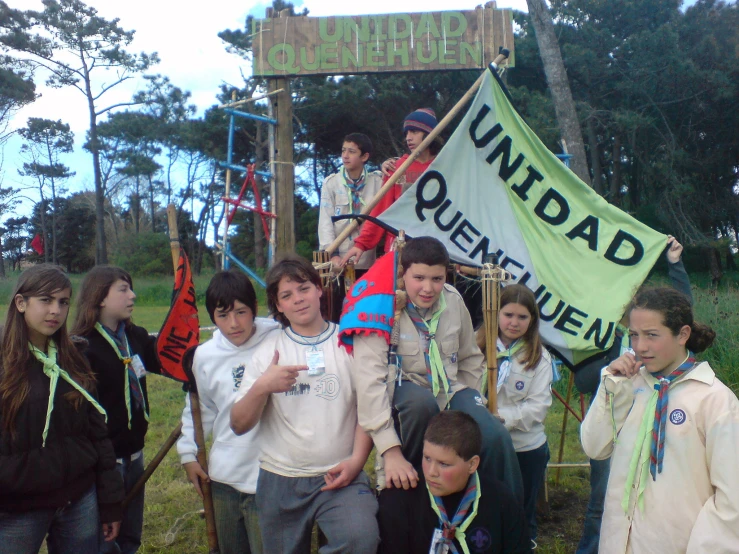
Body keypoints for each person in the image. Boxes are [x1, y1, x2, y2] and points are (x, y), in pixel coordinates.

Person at [350, 236, 523, 501]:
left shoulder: (453, 301)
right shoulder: (379, 308)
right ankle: (410, 494)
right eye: (418, 278)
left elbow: (469, 357)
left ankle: (505, 513)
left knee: (495, 435)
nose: (428, 288)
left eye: (437, 279)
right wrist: (389, 450)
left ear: (447, 276)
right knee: (422, 404)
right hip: (406, 391)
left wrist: (471, 401)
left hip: (451, 389)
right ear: (402, 273)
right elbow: (369, 384)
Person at [230, 255, 379, 554]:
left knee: (361, 540)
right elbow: (238, 424)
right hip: (280, 478)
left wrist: (356, 463)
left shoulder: (350, 342)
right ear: (278, 305)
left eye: (304, 288)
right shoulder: (268, 352)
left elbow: (369, 410)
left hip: (341, 476)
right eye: (287, 295)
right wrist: (263, 387)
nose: (298, 299)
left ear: (319, 289)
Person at [580, 287, 739, 554]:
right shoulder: (627, 384)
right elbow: (595, 447)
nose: (640, 347)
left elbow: (732, 500)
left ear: (683, 334)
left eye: (652, 335)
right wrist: (611, 388)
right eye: (634, 335)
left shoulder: (715, 401)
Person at [573, 235, 692, 554]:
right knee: (603, 501)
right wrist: (609, 365)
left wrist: (675, 265)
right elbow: (584, 381)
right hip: (613, 426)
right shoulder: (600, 334)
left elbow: (682, 315)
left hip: (654, 423)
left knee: (654, 501)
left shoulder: (665, 341)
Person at [0, 264, 124, 553]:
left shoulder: (75, 359)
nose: (55, 310)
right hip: (17, 507)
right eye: (45, 300)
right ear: (21, 303)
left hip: (77, 498)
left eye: (63, 302)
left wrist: (109, 502)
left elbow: (98, 435)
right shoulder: (4, 365)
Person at [177, 270, 280, 554]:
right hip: (223, 477)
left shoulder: (278, 338)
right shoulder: (205, 356)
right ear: (212, 316)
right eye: (223, 315)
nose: (234, 324)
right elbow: (200, 409)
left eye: (241, 312)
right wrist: (188, 453)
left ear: (254, 308)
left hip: (269, 473)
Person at [71, 266, 161, 554]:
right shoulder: (83, 347)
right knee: (106, 536)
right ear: (99, 297)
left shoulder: (136, 337)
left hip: (135, 451)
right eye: (123, 289)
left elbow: (167, 362)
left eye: (130, 287)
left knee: (131, 533)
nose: (132, 295)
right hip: (105, 459)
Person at [379, 411, 531, 554]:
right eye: (427, 458)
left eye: (444, 464)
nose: (431, 472)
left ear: (472, 464)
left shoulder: (502, 502)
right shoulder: (398, 499)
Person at [339, 108, 443, 266]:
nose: (408, 138)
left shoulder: (444, 167)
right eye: (406, 133)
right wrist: (361, 244)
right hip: (401, 247)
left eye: (414, 131)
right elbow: (381, 209)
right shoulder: (397, 168)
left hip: (436, 246)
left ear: (429, 133)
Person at [493, 284, 553, 547]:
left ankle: (524, 544)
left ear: (532, 320)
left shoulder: (540, 358)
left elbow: (538, 407)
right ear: (495, 314)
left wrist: (500, 418)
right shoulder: (477, 345)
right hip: (484, 444)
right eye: (508, 315)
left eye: (522, 317)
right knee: (490, 505)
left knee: (522, 506)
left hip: (524, 447)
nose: (513, 323)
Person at [318, 133, 383, 321]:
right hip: (338, 261)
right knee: (336, 311)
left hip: (367, 260)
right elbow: (325, 221)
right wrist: (333, 254)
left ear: (365, 157)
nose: (345, 156)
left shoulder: (377, 182)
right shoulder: (332, 183)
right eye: (343, 150)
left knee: (364, 311)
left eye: (352, 151)